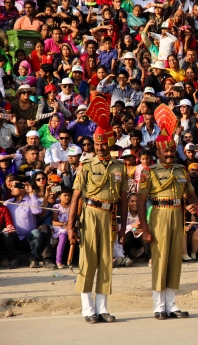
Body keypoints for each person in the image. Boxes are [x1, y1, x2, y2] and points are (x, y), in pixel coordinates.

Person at [66, 99, 129, 324]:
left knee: (105, 262)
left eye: (104, 143)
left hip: (110, 217)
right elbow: (75, 198)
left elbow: (123, 200)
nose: (100, 147)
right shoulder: (86, 166)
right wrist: (69, 226)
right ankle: (87, 309)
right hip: (90, 215)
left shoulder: (120, 167)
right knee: (88, 261)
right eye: (97, 143)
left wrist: (122, 228)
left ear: (110, 142)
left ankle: (102, 308)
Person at [137, 133, 198, 320]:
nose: (170, 153)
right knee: (160, 260)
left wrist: (193, 203)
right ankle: (158, 306)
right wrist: (145, 229)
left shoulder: (181, 170)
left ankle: (171, 304)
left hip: (177, 215)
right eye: (166, 151)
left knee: (174, 261)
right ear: (158, 152)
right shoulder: (149, 172)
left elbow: (192, 194)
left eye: (172, 150)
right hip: (159, 214)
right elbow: (140, 202)